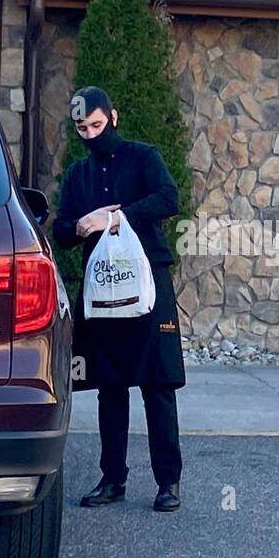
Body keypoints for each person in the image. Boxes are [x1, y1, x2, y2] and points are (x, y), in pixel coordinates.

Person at [51, 86, 187, 512]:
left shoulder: (144, 156)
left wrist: (117, 216)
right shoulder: (78, 174)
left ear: (114, 116)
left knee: (158, 383)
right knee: (110, 385)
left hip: (149, 283)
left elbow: (169, 198)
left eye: (97, 124)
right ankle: (113, 480)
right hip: (102, 290)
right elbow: (60, 229)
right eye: (82, 128)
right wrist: (80, 227)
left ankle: (168, 483)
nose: (92, 133)